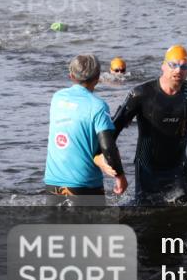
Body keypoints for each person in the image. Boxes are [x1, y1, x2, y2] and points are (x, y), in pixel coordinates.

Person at [113, 45, 187, 203]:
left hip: (178, 167)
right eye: (173, 65)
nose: (178, 70)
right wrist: (115, 169)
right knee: (146, 217)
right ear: (163, 66)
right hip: (147, 166)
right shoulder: (141, 94)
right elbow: (113, 129)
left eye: (184, 66)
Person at [43, 55, 127, 205]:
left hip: (53, 183)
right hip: (85, 185)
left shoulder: (57, 98)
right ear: (97, 78)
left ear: (71, 76)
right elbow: (108, 146)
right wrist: (120, 176)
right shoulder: (98, 106)